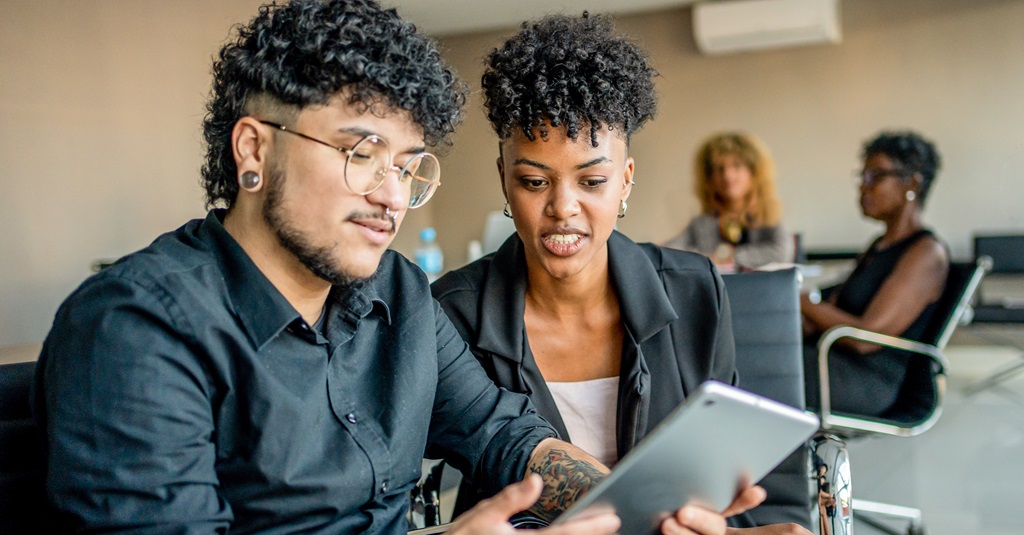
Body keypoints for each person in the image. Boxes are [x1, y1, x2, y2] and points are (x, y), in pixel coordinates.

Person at [31, 2, 767, 533]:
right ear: (253, 150)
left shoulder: (398, 296)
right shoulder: (135, 328)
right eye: (360, 153)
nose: (392, 195)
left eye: (409, 166)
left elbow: (503, 434)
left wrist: (648, 511)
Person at [432, 13, 808, 535]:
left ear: (625, 181)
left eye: (593, 181)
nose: (563, 208)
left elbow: (720, 476)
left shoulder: (695, 289)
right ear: (504, 178)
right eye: (535, 181)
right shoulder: (453, 312)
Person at [800, 130, 948, 417]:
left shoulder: (926, 253)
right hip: (834, 361)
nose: (863, 188)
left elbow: (866, 338)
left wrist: (801, 302)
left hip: (868, 381)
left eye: (876, 176)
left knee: (750, 365)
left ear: (912, 184)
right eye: (862, 177)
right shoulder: (879, 247)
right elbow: (835, 308)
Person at [664, 132, 794, 270]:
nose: (727, 175)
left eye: (737, 166)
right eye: (719, 169)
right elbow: (669, 251)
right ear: (708, 177)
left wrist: (730, 257)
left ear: (755, 173)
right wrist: (709, 258)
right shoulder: (703, 222)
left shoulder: (768, 216)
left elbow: (782, 252)